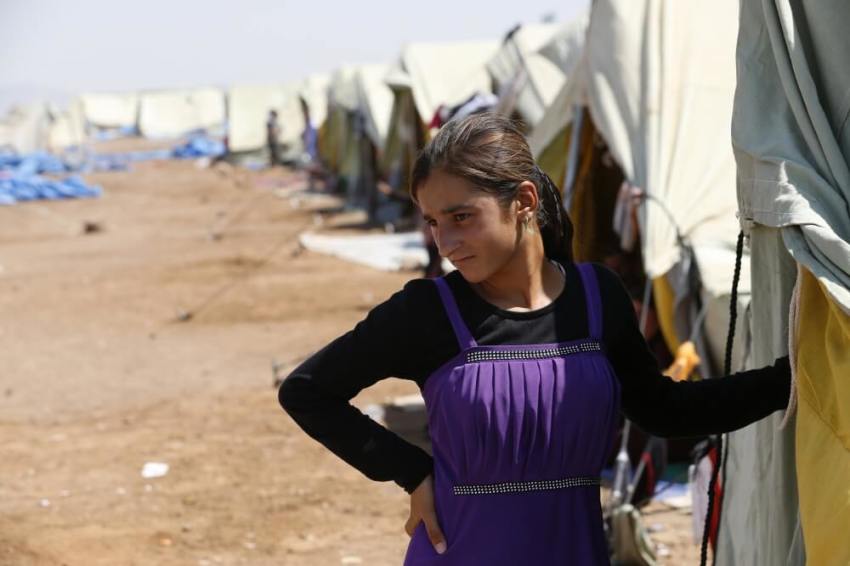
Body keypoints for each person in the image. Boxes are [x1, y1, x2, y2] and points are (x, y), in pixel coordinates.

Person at [278, 113, 791, 565]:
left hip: (575, 551)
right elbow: (307, 390)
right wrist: (411, 471)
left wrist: (789, 380)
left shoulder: (597, 299)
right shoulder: (427, 310)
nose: (446, 243)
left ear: (523, 201)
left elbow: (664, 410)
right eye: (433, 223)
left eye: (461, 217)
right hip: (461, 554)